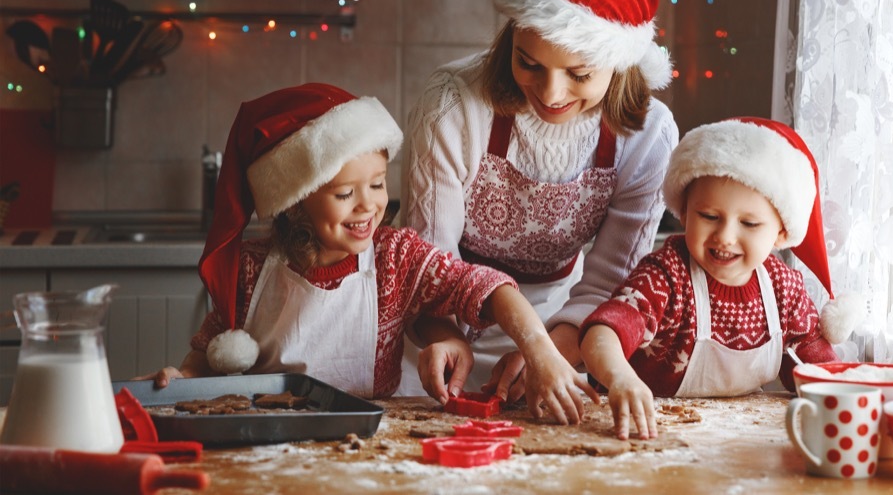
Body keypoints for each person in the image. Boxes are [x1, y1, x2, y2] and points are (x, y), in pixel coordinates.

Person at [140, 83, 597, 424]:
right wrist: (181, 378)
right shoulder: (250, 269)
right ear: (296, 200)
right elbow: (206, 354)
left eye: (377, 184)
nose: (369, 205)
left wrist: (541, 350)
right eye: (345, 194)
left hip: (362, 440)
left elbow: (485, 287)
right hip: (264, 437)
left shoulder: (395, 257)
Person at [399, 0, 680, 400]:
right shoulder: (453, 105)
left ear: (619, 63)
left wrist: (548, 350)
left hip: (563, 322)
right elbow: (429, 264)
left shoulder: (648, 135)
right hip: (437, 326)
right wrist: (443, 337)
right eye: (529, 62)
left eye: (579, 74)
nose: (550, 94)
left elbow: (609, 284)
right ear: (512, 38)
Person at [579, 117, 861, 440]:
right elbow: (601, 333)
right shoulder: (667, 275)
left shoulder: (784, 291)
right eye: (709, 216)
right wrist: (619, 378)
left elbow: (816, 367)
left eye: (750, 224)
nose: (725, 237)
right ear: (684, 212)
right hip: (641, 432)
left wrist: (847, 398)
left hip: (732, 441)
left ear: (781, 232)